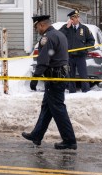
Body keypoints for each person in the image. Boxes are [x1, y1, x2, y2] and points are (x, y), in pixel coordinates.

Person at [22, 15, 77, 150]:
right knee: (47, 106)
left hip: (54, 78)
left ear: (41, 25)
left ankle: (69, 140)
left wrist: (35, 78)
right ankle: (37, 135)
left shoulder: (47, 38)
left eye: (36, 28)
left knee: (58, 108)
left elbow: (43, 59)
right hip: (59, 75)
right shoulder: (59, 34)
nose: (37, 31)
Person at [59, 10, 95, 93]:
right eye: (74, 17)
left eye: (77, 17)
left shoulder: (84, 29)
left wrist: (84, 48)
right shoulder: (66, 28)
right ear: (70, 19)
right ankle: (72, 92)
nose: (76, 19)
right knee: (70, 75)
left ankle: (86, 91)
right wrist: (66, 28)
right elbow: (59, 36)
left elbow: (91, 41)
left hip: (80, 56)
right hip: (69, 56)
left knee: (83, 75)